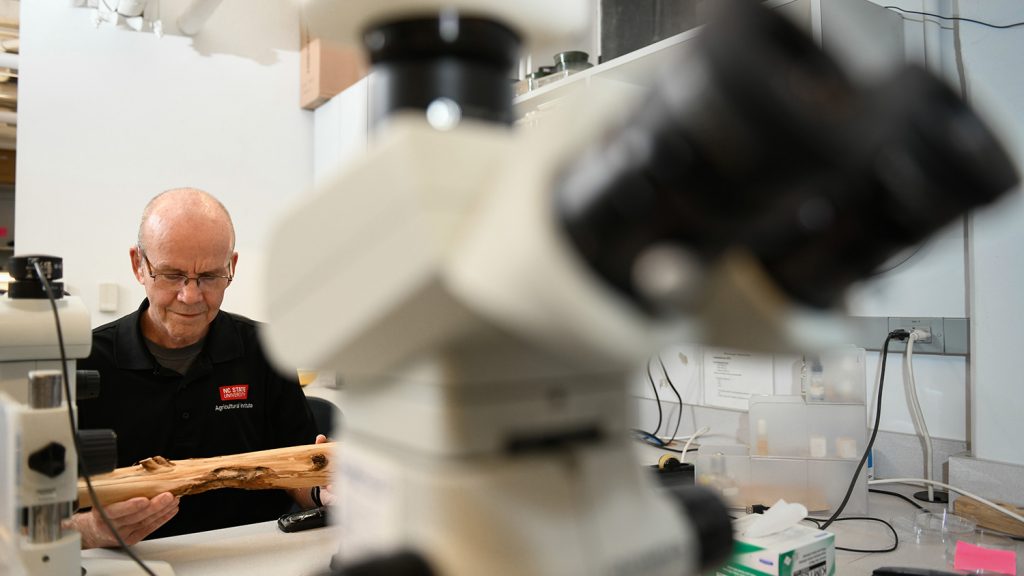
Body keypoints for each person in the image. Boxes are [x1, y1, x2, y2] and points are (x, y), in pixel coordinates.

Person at [72, 187, 331, 548]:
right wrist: (91, 531)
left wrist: (325, 492)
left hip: (254, 555)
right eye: (172, 275)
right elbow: (30, 515)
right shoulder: (82, 363)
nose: (190, 296)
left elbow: (297, 472)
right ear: (138, 265)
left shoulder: (268, 350)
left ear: (232, 267)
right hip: (128, 562)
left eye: (209, 277)